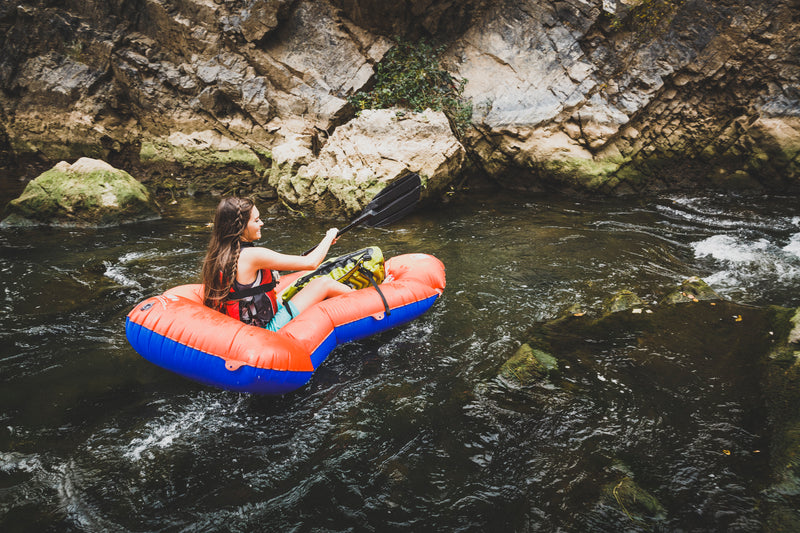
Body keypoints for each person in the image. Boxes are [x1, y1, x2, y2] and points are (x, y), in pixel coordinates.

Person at [201, 197, 352, 331]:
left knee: (298, 283)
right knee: (322, 283)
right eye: (256, 220)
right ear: (241, 227)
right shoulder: (252, 255)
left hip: (243, 325)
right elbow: (311, 263)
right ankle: (367, 299)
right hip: (264, 330)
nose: (262, 223)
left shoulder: (219, 252)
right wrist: (329, 236)